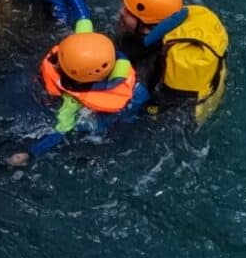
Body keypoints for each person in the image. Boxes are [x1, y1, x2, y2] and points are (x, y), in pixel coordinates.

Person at [9, 22, 145, 165]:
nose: (56, 64)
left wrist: (30, 153)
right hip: (132, 103)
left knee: (87, 127)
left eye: (60, 64)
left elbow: (60, 132)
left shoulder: (71, 102)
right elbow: (83, 21)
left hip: (101, 121)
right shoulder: (114, 64)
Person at [117, 0, 230, 125]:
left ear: (147, 28)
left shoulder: (146, 69)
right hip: (206, 87)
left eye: (128, 12)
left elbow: (125, 111)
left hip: (177, 114)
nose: (121, 12)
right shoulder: (177, 20)